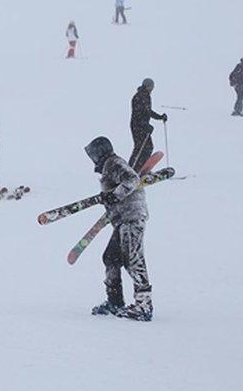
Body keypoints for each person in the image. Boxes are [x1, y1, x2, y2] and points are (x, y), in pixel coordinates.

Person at [84, 136, 155, 322]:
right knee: (111, 258)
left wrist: (114, 196)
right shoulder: (110, 165)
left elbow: (132, 179)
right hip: (123, 218)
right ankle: (115, 302)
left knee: (133, 258)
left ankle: (143, 305)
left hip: (131, 217)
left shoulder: (113, 163)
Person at [129, 78, 166, 171]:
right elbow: (138, 114)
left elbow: (148, 112)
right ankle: (132, 170)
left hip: (141, 126)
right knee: (141, 148)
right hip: (137, 126)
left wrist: (160, 117)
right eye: (151, 87)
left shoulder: (145, 96)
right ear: (148, 86)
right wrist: (145, 125)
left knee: (146, 148)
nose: (152, 89)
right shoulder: (140, 97)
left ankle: (139, 168)